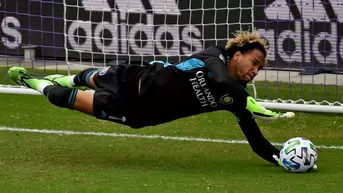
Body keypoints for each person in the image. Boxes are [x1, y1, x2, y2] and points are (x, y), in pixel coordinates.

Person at [8, 31, 295, 166]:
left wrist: (282, 158)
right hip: (138, 80)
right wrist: (246, 100)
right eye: (254, 62)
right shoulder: (214, 56)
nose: (255, 71)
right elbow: (220, 79)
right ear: (237, 54)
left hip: (139, 115)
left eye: (260, 68)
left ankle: (34, 83)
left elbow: (257, 143)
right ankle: (52, 78)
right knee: (89, 77)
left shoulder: (235, 98)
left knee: (61, 98)